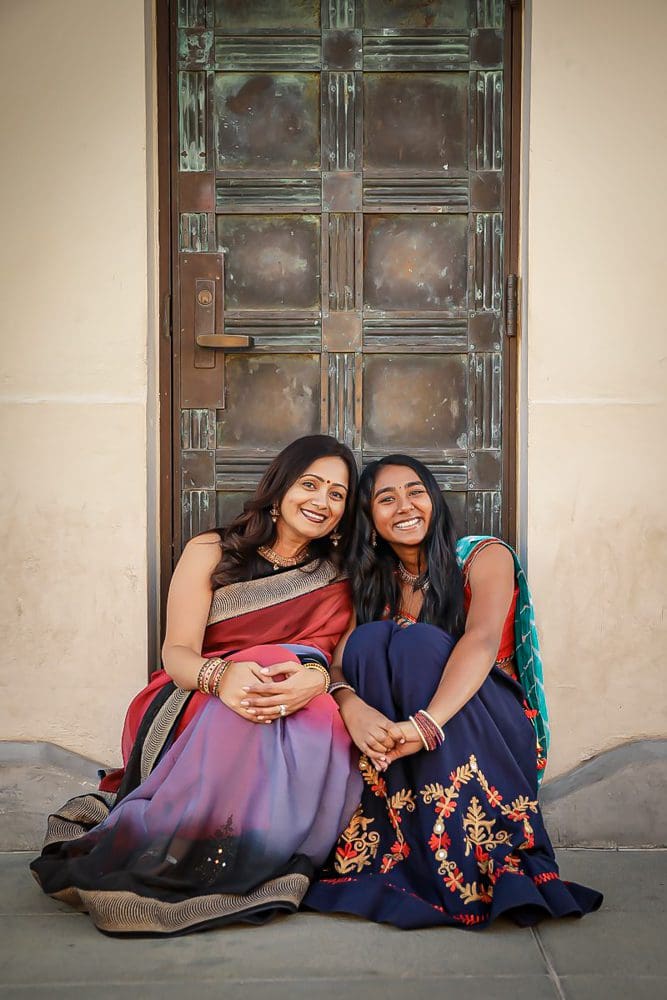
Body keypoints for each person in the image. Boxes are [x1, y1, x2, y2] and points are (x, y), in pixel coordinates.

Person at [30, 435, 362, 935]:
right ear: (278, 490)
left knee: (319, 710)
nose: (322, 501)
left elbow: (337, 666)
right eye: (310, 485)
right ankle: (201, 845)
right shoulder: (211, 549)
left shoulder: (342, 575)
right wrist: (223, 675)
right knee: (264, 662)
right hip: (195, 694)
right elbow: (177, 652)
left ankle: (267, 846)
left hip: (297, 701)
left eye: (337, 494)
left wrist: (313, 681)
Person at [301, 454, 603, 929]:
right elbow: (339, 664)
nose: (405, 505)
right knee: (370, 640)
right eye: (386, 498)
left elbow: (480, 641)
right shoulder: (378, 583)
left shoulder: (484, 556)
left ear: (435, 501)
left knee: (417, 642)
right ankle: (405, 850)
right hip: (405, 738)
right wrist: (353, 707)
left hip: (490, 726)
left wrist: (426, 725)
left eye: (416, 491)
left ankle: (466, 856)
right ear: (371, 523)